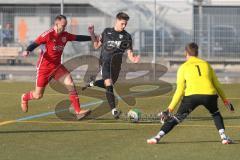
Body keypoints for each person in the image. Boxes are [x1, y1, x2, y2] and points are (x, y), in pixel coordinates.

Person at [147, 42, 234, 144]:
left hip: (191, 97)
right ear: (197, 53)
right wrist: (225, 101)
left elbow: (179, 90)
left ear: (186, 53)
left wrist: (169, 109)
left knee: (176, 118)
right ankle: (223, 137)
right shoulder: (206, 64)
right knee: (215, 113)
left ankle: (157, 137)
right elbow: (217, 85)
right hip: (209, 95)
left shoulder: (183, 67)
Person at [21, 15, 95, 120]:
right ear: (56, 24)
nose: (64, 28)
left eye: (65, 26)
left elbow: (78, 38)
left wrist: (92, 37)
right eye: (63, 25)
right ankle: (25, 97)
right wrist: (28, 50)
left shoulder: (65, 35)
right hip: (44, 69)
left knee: (70, 84)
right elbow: (35, 43)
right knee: (38, 95)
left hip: (57, 67)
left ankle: (78, 111)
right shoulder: (47, 34)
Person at [84, 12, 140, 119]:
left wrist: (134, 59)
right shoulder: (106, 32)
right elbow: (96, 46)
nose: (124, 26)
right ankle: (114, 110)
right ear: (117, 20)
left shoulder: (127, 36)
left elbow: (130, 54)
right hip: (105, 62)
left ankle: (93, 83)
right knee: (108, 83)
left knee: (110, 83)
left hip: (116, 65)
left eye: (125, 24)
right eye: (122, 23)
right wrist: (92, 33)